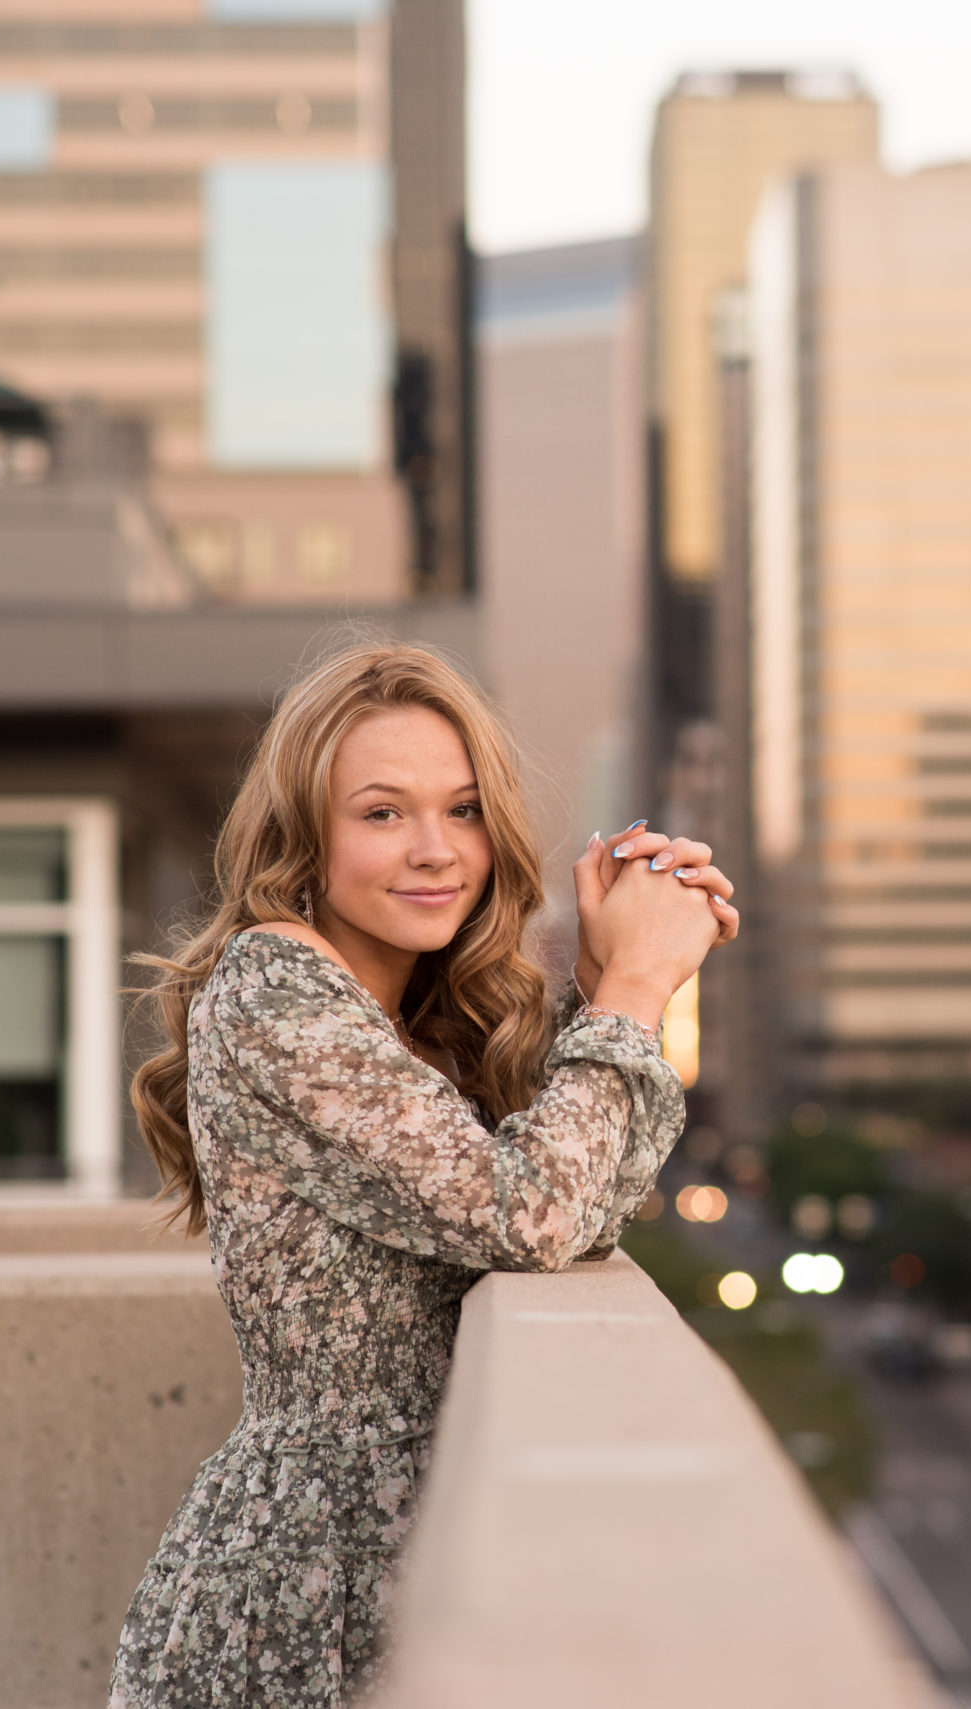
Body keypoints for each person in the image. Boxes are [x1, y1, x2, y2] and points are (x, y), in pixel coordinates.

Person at [108, 643, 736, 1708]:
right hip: (306, 1591)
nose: (435, 850)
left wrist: (593, 989)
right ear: (303, 833)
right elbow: (526, 1212)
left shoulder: (413, 1012)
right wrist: (636, 985)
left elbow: (588, 1204)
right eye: (383, 812)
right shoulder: (276, 988)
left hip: (402, 1552)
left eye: (463, 809)